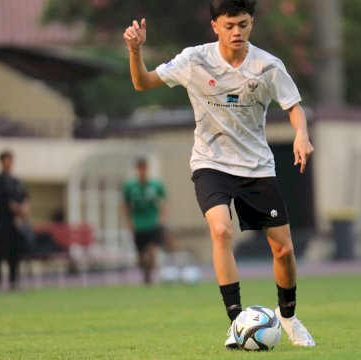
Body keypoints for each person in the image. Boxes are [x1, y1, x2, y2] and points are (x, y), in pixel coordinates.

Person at [123, 0, 315, 348]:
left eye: (242, 24)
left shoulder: (268, 66)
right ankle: (236, 320)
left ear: (251, 23)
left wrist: (301, 134)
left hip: (257, 167)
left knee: (283, 251)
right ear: (215, 26)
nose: (236, 31)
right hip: (210, 164)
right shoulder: (194, 60)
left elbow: (294, 108)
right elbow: (142, 83)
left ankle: (288, 316)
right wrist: (136, 51)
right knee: (221, 230)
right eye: (229, 25)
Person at [122, 157, 171, 285]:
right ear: (137, 169)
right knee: (141, 255)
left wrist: (162, 217)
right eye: (140, 168)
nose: (142, 171)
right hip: (138, 224)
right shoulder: (130, 186)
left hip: (153, 223)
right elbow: (126, 204)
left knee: (152, 250)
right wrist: (129, 221)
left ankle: (150, 273)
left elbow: (164, 201)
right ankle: (146, 272)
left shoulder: (156, 185)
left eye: (144, 168)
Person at [0, 150, 29, 290]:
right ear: (1, 162)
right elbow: (8, 204)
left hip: (15, 225)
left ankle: (13, 281)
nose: (9, 163)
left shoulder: (17, 182)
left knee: (14, 254)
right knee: (0, 254)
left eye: (10, 160)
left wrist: (23, 211)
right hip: (2, 224)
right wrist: (18, 209)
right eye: (6, 160)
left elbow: (24, 198)